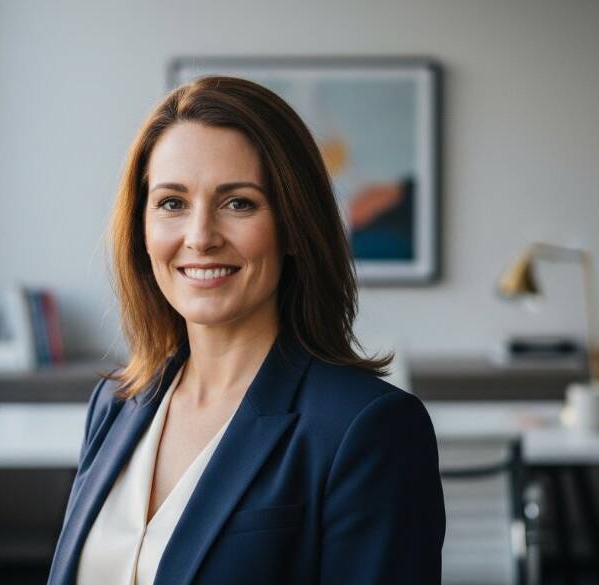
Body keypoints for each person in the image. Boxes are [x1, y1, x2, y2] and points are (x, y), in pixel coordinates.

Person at [47, 76, 445, 585]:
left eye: (238, 203)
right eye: (172, 203)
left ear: (294, 227)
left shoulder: (367, 429)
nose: (200, 237)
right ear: (141, 228)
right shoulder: (117, 403)